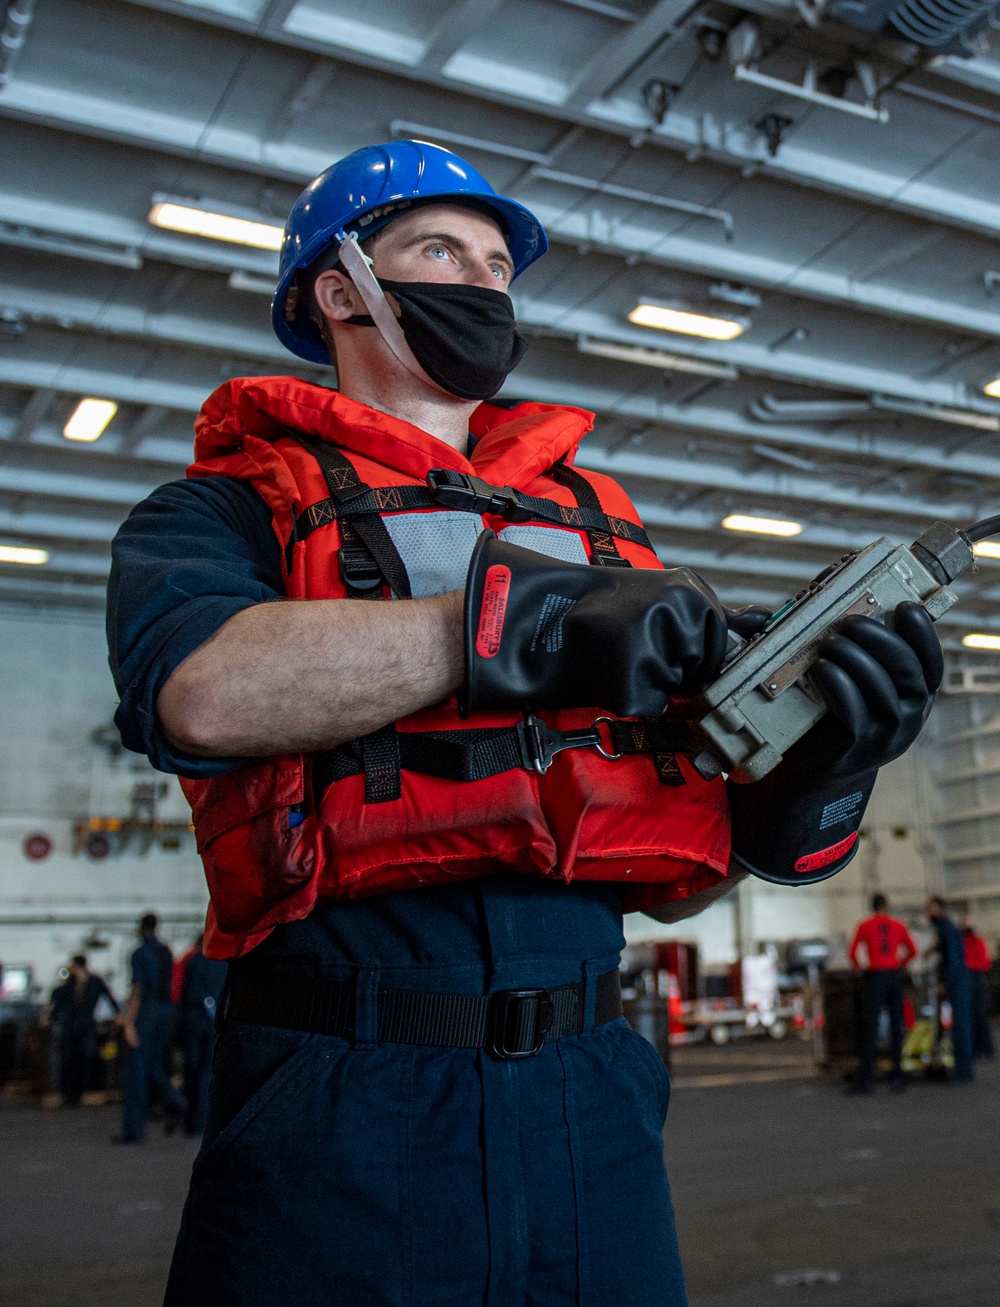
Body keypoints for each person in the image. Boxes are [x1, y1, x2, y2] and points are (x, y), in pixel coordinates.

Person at [107, 140, 943, 1306]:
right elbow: (200, 690)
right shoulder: (220, 509)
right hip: (339, 1089)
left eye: (499, 264)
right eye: (440, 249)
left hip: (591, 1090)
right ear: (339, 286)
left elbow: (669, 879)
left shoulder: (604, 538)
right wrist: (528, 617)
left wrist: (818, 769)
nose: (481, 283)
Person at [116, 913, 184, 1142]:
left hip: (147, 1013)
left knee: (137, 1072)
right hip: (167, 1013)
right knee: (155, 1065)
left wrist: (129, 1022)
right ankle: (174, 1099)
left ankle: (133, 1132)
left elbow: (138, 989)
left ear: (141, 928)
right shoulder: (166, 952)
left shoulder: (139, 953)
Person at [848, 894, 916, 1093]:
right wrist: (900, 965)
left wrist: (859, 968)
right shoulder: (898, 925)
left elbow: (852, 951)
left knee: (871, 1026)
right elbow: (912, 950)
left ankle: (867, 1079)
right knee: (896, 1026)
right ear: (887, 906)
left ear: (872, 906)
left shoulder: (865, 925)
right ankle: (898, 1077)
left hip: (875, 976)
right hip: (894, 975)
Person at [43, 954, 119, 1106]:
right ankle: (68, 1094)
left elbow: (109, 997)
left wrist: (117, 1013)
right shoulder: (69, 985)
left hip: (85, 1026)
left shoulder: (94, 983)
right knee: (69, 1060)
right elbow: (57, 1002)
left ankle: (77, 1093)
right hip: (70, 1026)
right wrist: (51, 1015)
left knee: (85, 1058)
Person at [179, 935, 227, 1136]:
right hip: (213, 1021)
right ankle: (202, 1121)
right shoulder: (223, 963)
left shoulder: (193, 962)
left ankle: (191, 1120)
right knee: (207, 1071)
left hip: (193, 1019)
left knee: (192, 1070)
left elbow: (184, 992)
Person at [926, 897, 974, 1082]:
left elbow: (952, 958)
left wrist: (943, 982)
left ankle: (964, 1072)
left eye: (930, 909)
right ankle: (963, 1069)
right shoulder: (946, 928)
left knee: (961, 1027)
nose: (928, 913)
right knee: (959, 1026)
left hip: (957, 981)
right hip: (958, 980)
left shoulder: (945, 928)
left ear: (940, 909)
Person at [963, 915, 994, 1059]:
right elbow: (986, 962)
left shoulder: (967, 943)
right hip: (979, 978)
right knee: (980, 1016)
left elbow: (979, 962)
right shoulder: (977, 941)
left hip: (973, 978)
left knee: (975, 1015)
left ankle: (979, 1048)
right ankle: (985, 1048)